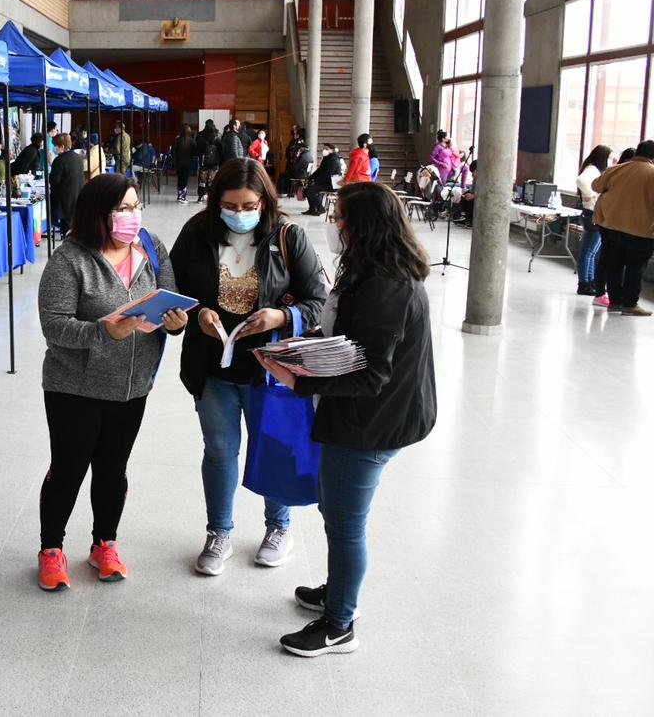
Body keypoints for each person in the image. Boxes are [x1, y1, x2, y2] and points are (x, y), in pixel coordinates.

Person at [256, 181, 436, 657]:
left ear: (366, 228)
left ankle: (340, 624)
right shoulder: (371, 271)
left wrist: (301, 380)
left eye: (342, 219)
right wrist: (302, 343)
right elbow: (347, 335)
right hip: (366, 416)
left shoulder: (387, 286)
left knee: (344, 523)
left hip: (370, 424)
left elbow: (371, 372)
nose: (335, 226)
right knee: (337, 512)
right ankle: (336, 592)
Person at [170, 158, 327, 575]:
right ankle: (218, 532)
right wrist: (198, 312)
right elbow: (174, 290)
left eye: (248, 205)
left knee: (272, 446)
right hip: (214, 366)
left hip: (270, 369)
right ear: (215, 201)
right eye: (230, 205)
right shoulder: (197, 233)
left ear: (265, 201)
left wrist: (280, 317)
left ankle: (279, 526)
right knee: (220, 451)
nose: (239, 214)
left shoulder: (288, 236)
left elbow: (318, 300)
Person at [36, 173, 188, 590]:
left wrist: (175, 322)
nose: (132, 215)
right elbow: (54, 326)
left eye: (136, 206)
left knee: (112, 469)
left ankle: (105, 543)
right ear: (98, 213)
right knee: (69, 469)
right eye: (122, 208)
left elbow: (168, 298)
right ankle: (51, 549)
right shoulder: (70, 259)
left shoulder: (150, 249)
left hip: (131, 385)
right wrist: (106, 331)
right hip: (74, 387)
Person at [592, 139, 654, 316]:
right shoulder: (652, 173)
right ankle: (630, 304)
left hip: (613, 226)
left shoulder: (617, 169)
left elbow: (596, 186)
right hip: (641, 230)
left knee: (615, 265)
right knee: (635, 268)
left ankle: (615, 302)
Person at [575, 145, 613, 302]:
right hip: (592, 213)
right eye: (609, 157)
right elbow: (581, 180)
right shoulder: (592, 170)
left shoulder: (594, 169)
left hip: (592, 212)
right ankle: (584, 283)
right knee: (589, 251)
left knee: (591, 251)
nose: (610, 161)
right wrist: (592, 195)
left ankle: (589, 281)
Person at [49, 133, 83, 234]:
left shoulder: (59, 160)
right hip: (77, 195)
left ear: (62, 146)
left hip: (64, 200)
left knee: (66, 227)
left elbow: (54, 180)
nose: (54, 148)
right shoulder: (78, 157)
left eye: (55, 146)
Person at [305, 144, 342, 215]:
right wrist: (310, 178)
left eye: (326, 149)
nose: (324, 150)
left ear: (332, 150)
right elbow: (319, 171)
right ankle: (312, 209)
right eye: (323, 149)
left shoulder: (333, 160)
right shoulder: (326, 158)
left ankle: (320, 208)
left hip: (332, 184)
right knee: (308, 188)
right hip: (326, 182)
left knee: (310, 190)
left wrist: (316, 181)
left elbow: (327, 175)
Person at [172, 124, 197, 204]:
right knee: (185, 180)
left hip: (178, 163)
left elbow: (173, 151)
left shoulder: (177, 140)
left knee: (180, 179)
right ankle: (183, 197)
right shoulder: (192, 141)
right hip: (187, 163)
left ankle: (179, 196)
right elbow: (195, 151)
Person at [278, 126, 307, 194]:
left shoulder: (300, 142)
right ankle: (286, 190)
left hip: (295, 165)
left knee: (284, 176)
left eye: (295, 130)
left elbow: (294, 150)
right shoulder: (293, 140)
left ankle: (284, 191)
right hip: (291, 162)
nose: (294, 132)